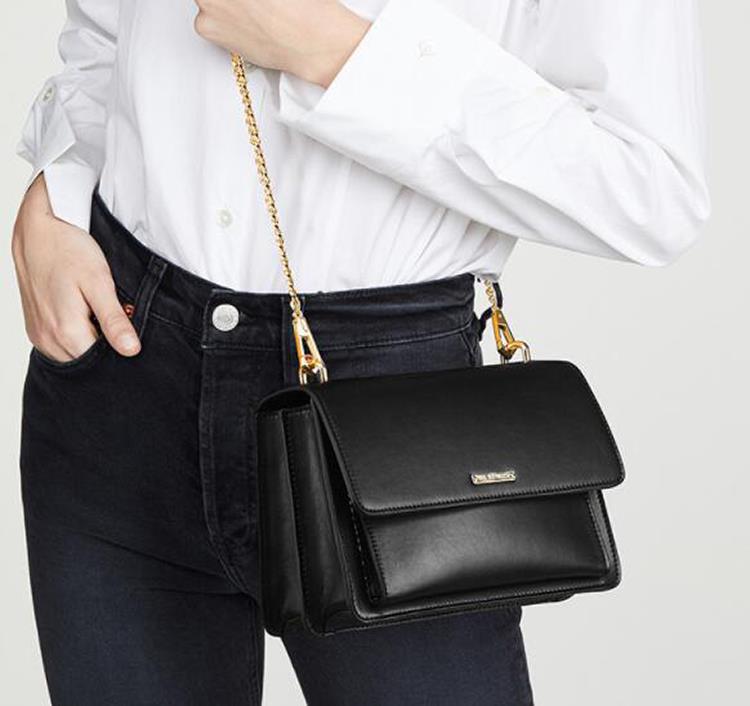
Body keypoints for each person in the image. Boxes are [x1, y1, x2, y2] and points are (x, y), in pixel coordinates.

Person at [12, 1, 708, 704]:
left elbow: (651, 188)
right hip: (127, 362)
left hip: (393, 415)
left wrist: (346, 57)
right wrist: (59, 186)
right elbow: (104, 32)